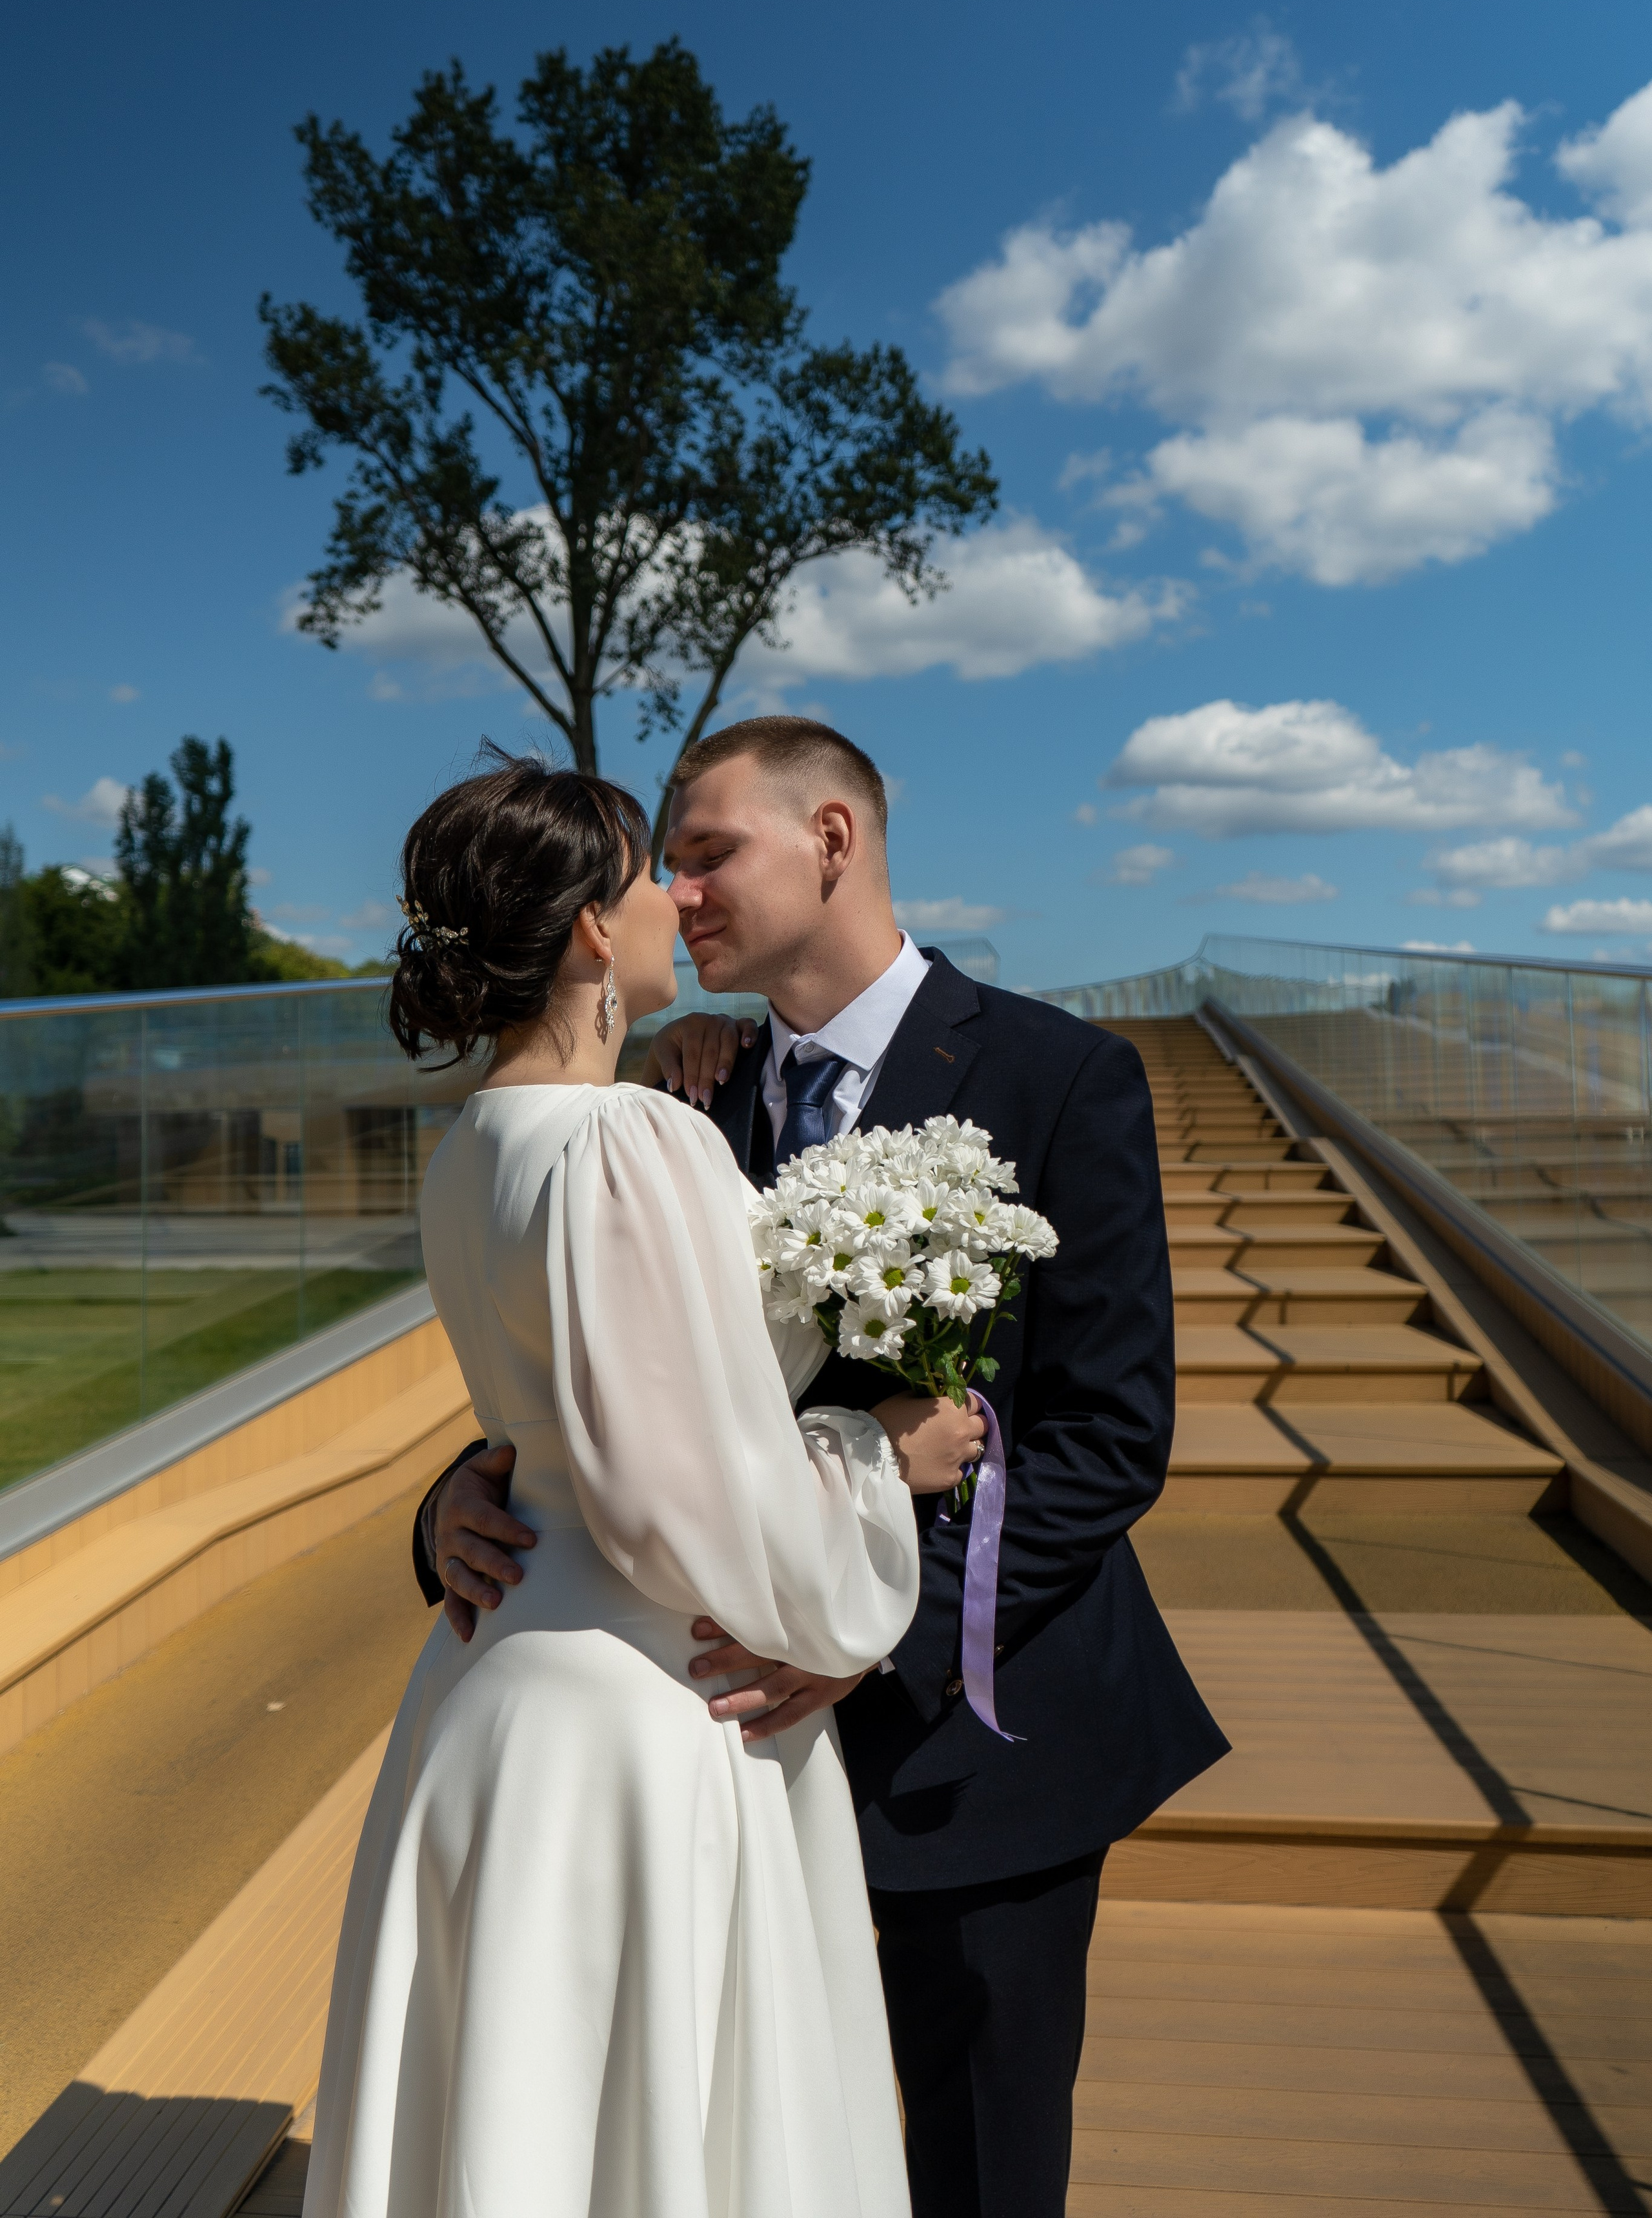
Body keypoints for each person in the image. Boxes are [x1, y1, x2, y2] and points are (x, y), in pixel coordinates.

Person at [418, 716, 1229, 2218]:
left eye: (710, 850)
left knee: (979, 2161)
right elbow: (606, 1384)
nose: (687, 889)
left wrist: (864, 1641)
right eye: (667, 865)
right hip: (700, 1749)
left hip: (964, 1737)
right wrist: (460, 1496)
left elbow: (1109, 1434)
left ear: (833, 841)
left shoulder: (1062, 1077)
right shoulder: (665, 1105)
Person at [306, 752, 982, 2218]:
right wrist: (888, 1459)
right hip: (642, 1699)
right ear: (592, 934)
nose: (680, 898)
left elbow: (557, 1422)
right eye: (647, 877)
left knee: (530, 2119)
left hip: (488, 1681)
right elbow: (693, 1487)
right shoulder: (631, 1139)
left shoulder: (468, 1147)